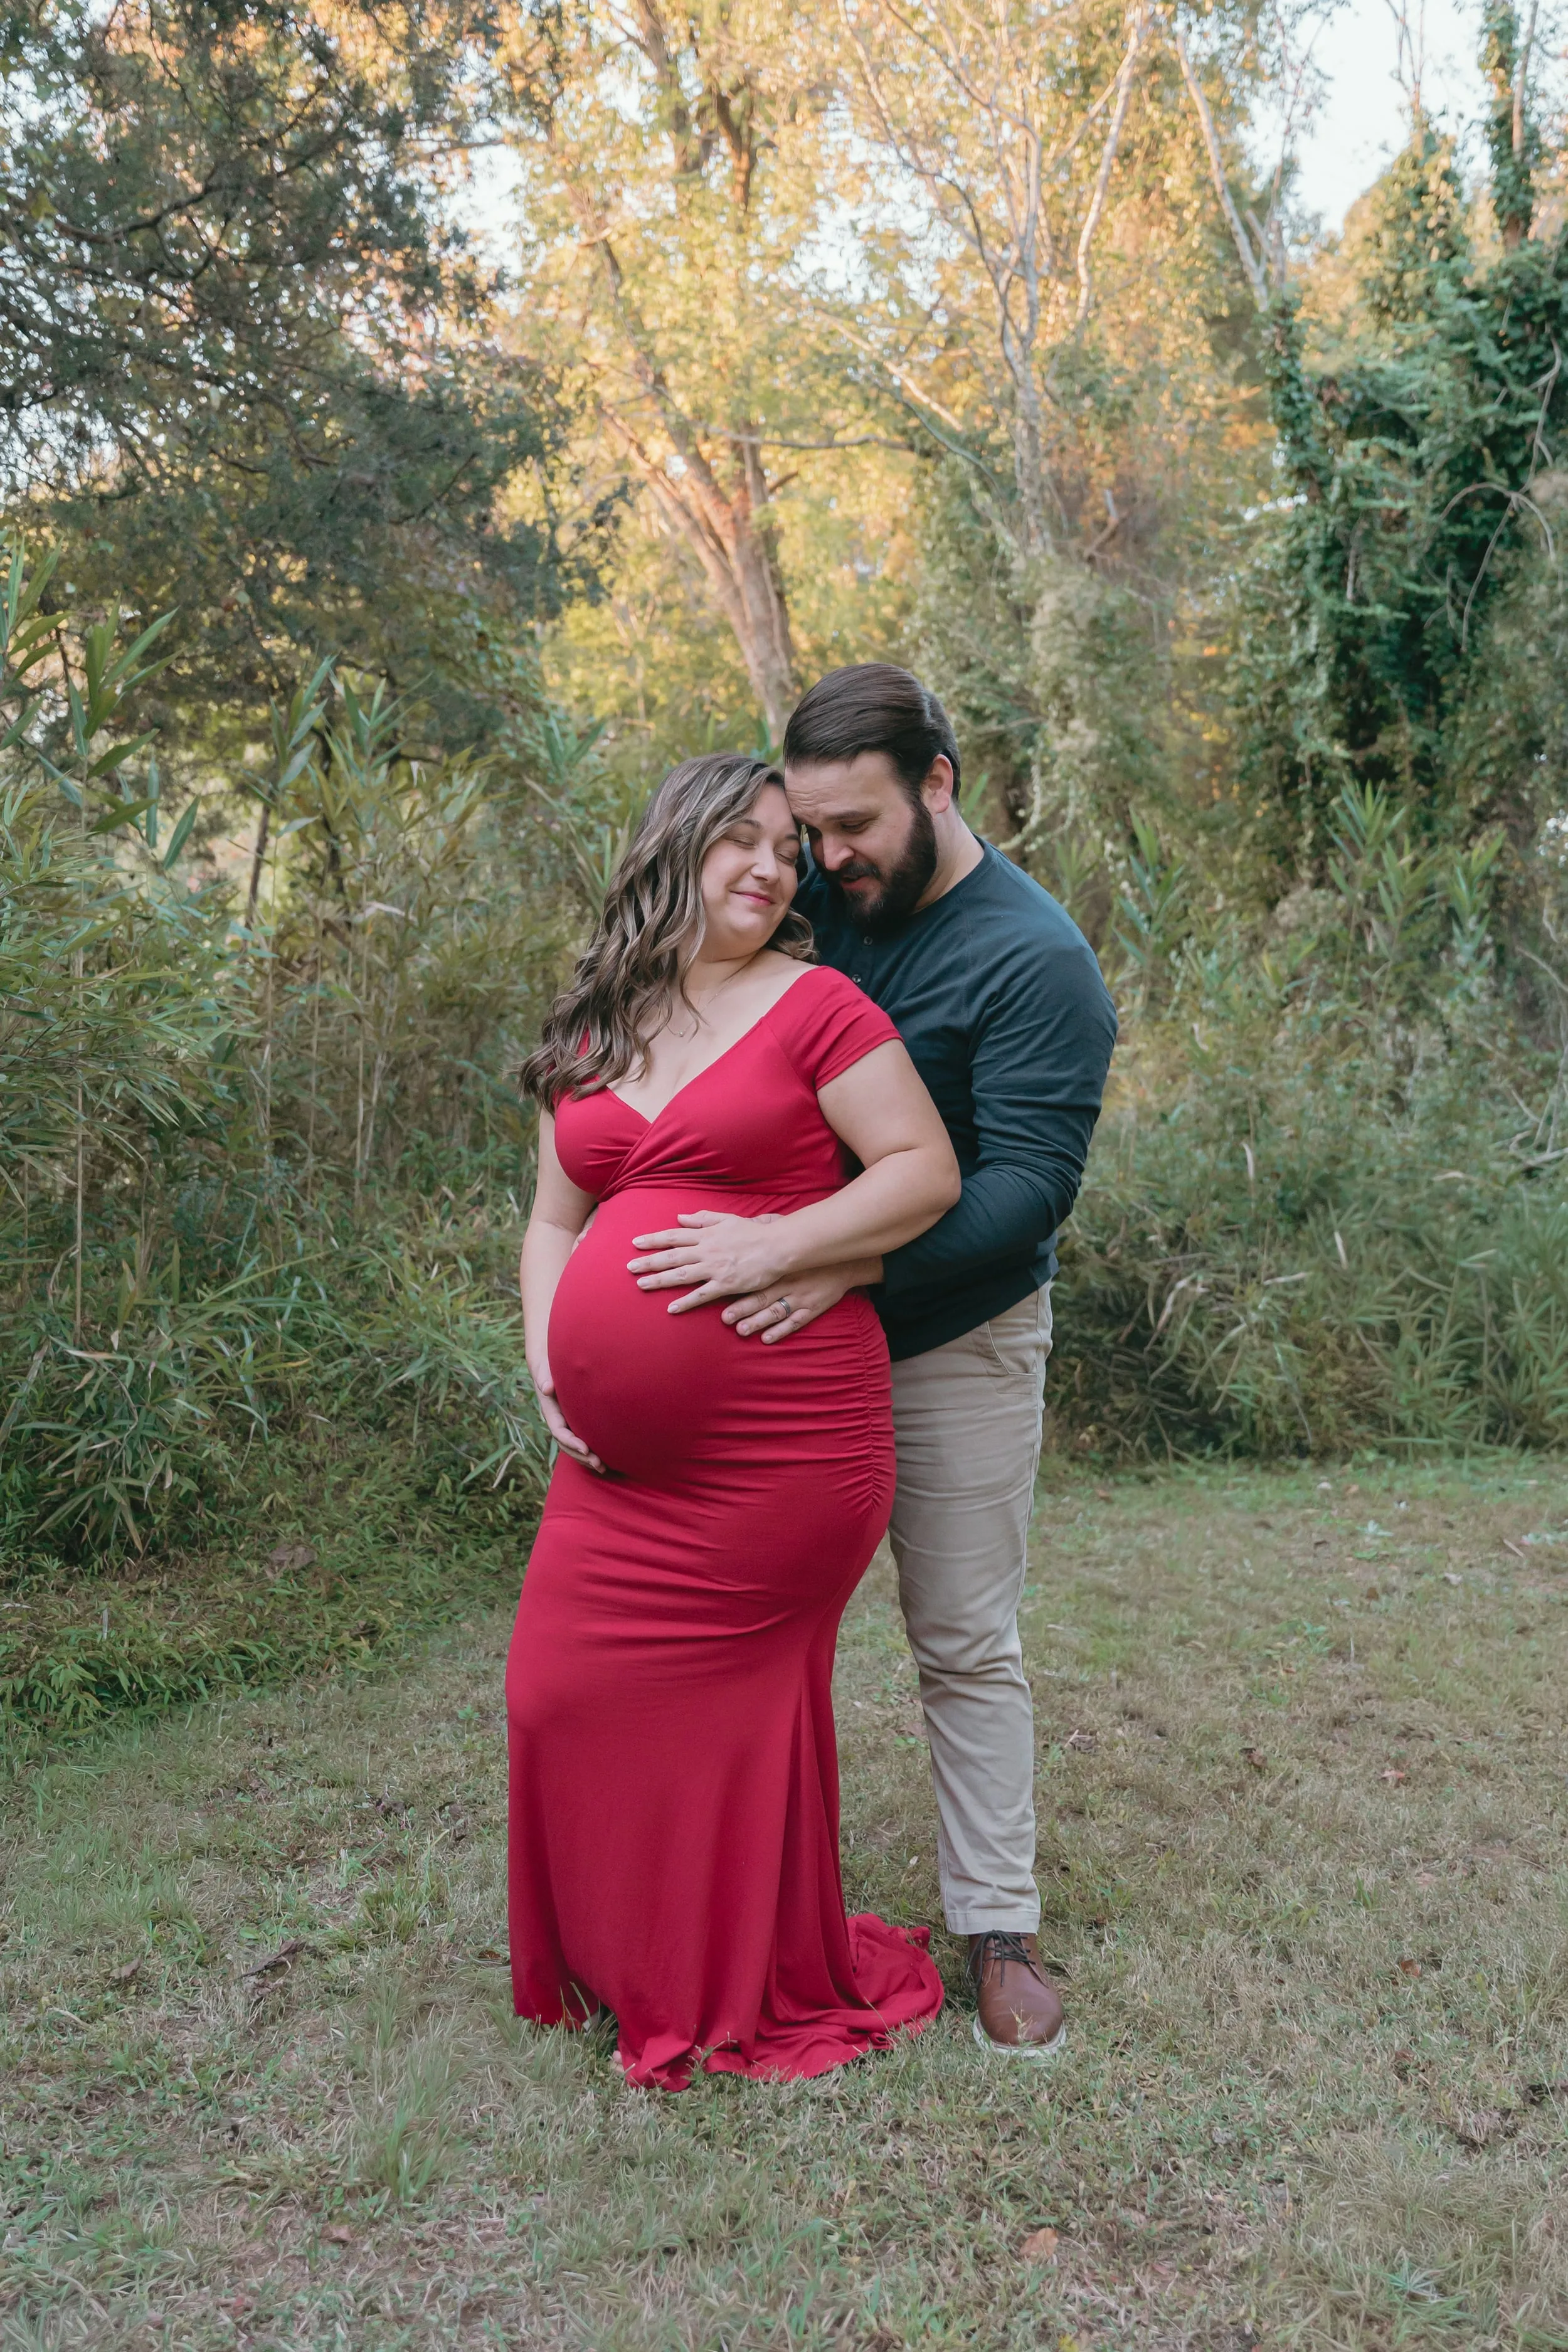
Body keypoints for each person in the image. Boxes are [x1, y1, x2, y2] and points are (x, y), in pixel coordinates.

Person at [507, 751, 961, 2092]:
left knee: (718, 1719)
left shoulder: (816, 1007)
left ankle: (714, 1982)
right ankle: (622, 1958)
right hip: (614, 1468)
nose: (772, 866)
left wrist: (772, 1251)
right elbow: (550, 1223)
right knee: (552, 1695)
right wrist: (552, 1366)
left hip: (784, 1449)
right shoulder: (597, 1027)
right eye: (739, 844)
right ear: (673, 852)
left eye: (785, 847)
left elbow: (922, 1171)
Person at [707, 665, 1118, 2059]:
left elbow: (1022, 1198)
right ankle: (741, 1918)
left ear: (937, 783)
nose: (822, 861)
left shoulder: (1034, 959)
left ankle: (997, 1930)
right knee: (757, 1636)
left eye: (849, 827)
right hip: (780, 1331)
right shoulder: (814, 902)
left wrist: (824, 1255)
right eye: (803, 830)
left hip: (956, 1338)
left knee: (959, 1638)